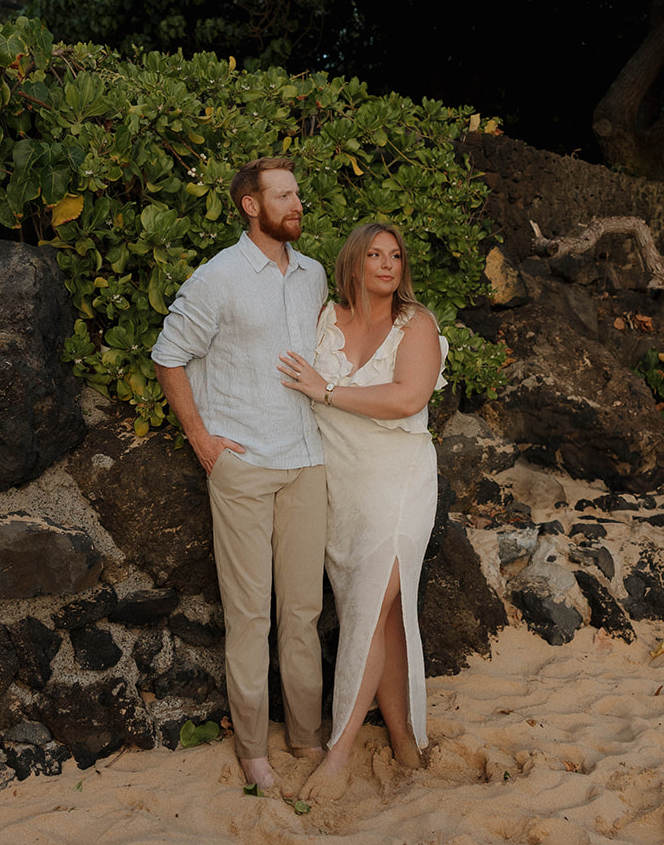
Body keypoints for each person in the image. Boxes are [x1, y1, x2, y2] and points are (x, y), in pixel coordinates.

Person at [151, 157, 328, 794]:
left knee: (303, 612)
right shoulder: (218, 278)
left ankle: (307, 734)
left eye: (298, 194)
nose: (296, 204)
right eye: (284, 195)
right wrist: (202, 440)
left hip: (308, 462)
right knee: (249, 616)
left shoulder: (314, 275)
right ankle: (254, 748)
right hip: (244, 466)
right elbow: (168, 355)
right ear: (251, 206)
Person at [278, 222, 447, 799]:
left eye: (395, 255)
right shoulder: (325, 317)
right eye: (374, 254)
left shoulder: (416, 324)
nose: (386, 264)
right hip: (341, 487)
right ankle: (404, 741)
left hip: (397, 485)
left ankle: (340, 751)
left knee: (369, 610)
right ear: (354, 262)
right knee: (384, 613)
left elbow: (407, 397)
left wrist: (327, 391)